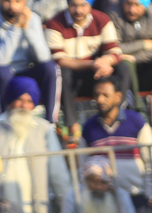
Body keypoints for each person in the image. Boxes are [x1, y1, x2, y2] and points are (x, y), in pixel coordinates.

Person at [81, 73, 152, 213]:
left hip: (136, 195)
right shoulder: (88, 128)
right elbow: (83, 165)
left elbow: (150, 159)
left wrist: (149, 192)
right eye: (97, 95)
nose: (99, 99)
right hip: (105, 198)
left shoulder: (137, 121)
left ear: (118, 97)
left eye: (105, 95)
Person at [0, 76, 69, 213]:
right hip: (0, 203)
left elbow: (58, 171)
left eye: (29, 101)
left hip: (35, 204)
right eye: (19, 99)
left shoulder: (43, 129)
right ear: (10, 100)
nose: (24, 106)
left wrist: (66, 202)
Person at [45, 0, 130, 140]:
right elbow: (59, 60)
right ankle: (72, 126)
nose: (78, 10)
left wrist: (105, 61)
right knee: (63, 73)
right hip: (73, 75)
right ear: (68, 5)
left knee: (123, 67)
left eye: (83, 5)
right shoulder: (54, 24)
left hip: (98, 73)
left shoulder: (102, 19)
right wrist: (92, 64)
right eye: (74, 5)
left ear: (90, 5)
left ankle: (119, 114)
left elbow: (114, 51)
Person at [0, 0, 60, 122]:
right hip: (2, 73)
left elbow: (44, 57)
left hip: (28, 69)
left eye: (17, 1)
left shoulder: (33, 18)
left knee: (50, 68)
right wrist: (16, 27)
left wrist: (26, 27)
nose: (12, 6)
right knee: (2, 71)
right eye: (7, 1)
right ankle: (3, 122)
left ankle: (52, 123)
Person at [110, 0, 152, 106]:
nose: (132, 10)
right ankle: (137, 109)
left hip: (151, 70)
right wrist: (143, 44)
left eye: (137, 5)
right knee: (126, 63)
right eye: (128, 4)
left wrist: (135, 57)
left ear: (146, 5)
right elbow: (114, 47)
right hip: (126, 72)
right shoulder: (114, 14)